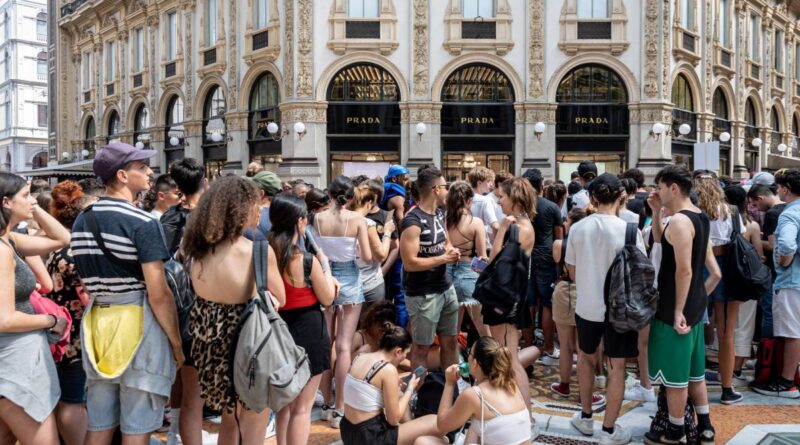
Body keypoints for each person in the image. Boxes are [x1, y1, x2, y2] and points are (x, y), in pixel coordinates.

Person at [70, 142, 183, 445]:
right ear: (122, 175)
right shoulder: (142, 222)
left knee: (99, 423)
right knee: (137, 425)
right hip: (138, 323)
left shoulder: (83, 219)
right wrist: (176, 342)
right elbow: (158, 293)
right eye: (142, 168)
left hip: (98, 324)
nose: (149, 173)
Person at [181, 176, 285, 445]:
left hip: (209, 346)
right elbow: (280, 298)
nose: (259, 209)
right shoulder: (257, 250)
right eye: (255, 204)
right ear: (239, 209)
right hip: (249, 342)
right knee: (254, 422)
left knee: (230, 419)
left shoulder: (196, 249)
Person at [645, 165, 721, 444]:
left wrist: (678, 309)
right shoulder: (699, 217)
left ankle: (675, 430)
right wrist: (656, 213)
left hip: (673, 310)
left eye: (660, 187)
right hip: (695, 308)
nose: (657, 191)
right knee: (694, 373)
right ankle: (705, 424)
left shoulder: (679, 221)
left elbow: (685, 270)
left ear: (673, 188)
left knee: (675, 378)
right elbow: (715, 272)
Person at [566, 173, 644, 445]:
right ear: (621, 197)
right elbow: (643, 274)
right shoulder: (630, 231)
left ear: (593, 197)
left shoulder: (578, 228)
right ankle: (609, 430)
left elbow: (572, 272)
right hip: (620, 310)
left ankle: (586, 417)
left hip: (587, 307)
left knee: (585, 359)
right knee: (617, 368)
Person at [0, 172, 70, 445]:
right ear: (6, 202)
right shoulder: (4, 249)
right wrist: (50, 321)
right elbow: (5, 319)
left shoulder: (10, 241)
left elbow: (62, 238)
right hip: (15, 363)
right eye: (25, 196)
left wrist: (35, 206)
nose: (31, 201)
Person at [264, 193, 336, 445]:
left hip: (276, 332)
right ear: (300, 222)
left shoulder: (264, 253)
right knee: (302, 409)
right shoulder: (306, 260)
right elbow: (327, 298)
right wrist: (327, 272)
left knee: (283, 405)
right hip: (309, 331)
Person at [314, 175, 372, 428]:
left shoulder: (318, 218)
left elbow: (316, 252)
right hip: (350, 280)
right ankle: (340, 408)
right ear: (351, 197)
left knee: (327, 343)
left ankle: (326, 402)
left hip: (325, 281)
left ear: (329, 195)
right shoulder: (357, 220)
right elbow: (368, 257)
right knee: (345, 346)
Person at [160, 157, 206, 445]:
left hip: (175, 305)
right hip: (207, 307)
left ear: (176, 186)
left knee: (182, 370)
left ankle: (175, 428)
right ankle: (182, 432)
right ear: (203, 182)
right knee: (196, 393)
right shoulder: (211, 219)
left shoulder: (168, 218)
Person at [46, 181, 95, 445]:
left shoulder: (59, 246)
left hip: (63, 332)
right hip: (74, 334)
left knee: (68, 397)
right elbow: (87, 296)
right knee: (73, 400)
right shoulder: (74, 250)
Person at [482, 177, 536, 413]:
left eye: (501, 196)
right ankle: (513, 408)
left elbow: (495, 260)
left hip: (506, 298)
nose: (498, 200)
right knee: (506, 356)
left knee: (510, 358)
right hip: (508, 294)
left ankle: (526, 414)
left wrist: (501, 230)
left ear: (513, 198)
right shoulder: (522, 225)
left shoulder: (518, 228)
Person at [415, 337, 532, 445]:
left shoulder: (474, 395)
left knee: (422, 441)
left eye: (470, 353)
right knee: (477, 423)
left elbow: (441, 425)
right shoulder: (511, 384)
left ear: (475, 363)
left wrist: (449, 384)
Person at [400, 164, 460, 372]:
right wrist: (444, 258)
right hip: (423, 294)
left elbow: (446, 240)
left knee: (451, 341)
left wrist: (451, 251)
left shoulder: (440, 213)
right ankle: (417, 393)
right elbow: (410, 263)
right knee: (421, 348)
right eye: (445, 186)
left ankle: (452, 386)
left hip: (445, 287)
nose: (448, 191)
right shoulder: (412, 221)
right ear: (435, 189)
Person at [340, 323, 440, 445]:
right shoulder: (388, 370)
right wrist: (410, 389)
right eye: (405, 354)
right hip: (370, 437)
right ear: (398, 351)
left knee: (398, 393)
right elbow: (394, 419)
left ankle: (409, 431)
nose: (404, 359)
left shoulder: (360, 357)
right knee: (434, 421)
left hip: (347, 430)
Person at [693, 170, 745, 404]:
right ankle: (726, 387)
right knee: (727, 333)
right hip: (727, 269)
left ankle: (692, 385)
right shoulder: (731, 211)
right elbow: (739, 235)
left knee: (694, 328)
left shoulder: (693, 212)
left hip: (698, 268)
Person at [753, 169, 800, 399]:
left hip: (791, 281)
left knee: (792, 332)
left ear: (786, 189)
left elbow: (788, 244)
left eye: (779, 187)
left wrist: (786, 258)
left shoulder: (789, 214)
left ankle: (786, 381)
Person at [551, 207, 602, 404]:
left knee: (565, 345)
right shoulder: (592, 245)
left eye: (566, 220)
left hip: (563, 289)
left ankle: (564, 384)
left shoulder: (558, 244)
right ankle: (584, 393)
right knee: (584, 348)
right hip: (586, 290)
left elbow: (557, 261)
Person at [521, 168, 563, 366]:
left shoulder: (520, 207)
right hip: (546, 257)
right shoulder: (552, 206)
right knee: (547, 304)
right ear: (542, 185)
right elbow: (559, 238)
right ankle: (548, 347)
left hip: (525, 256)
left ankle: (528, 344)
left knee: (528, 303)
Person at [724, 185, 764, 386]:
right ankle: (737, 369)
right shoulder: (752, 225)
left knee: (727, 327)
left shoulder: (721, 221)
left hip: (725, 280)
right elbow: (758, 254)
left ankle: (726, 370)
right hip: (746, 281)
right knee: (745, 325)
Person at [444, 181, 490, 337]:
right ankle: (492, 359)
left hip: (445, 273)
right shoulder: (476, 223)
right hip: (469, 273)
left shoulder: (443, 221)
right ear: (469, 201)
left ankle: (454, 359)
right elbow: (482, 257)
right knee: (482, 326)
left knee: (452, 328)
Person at [348, 181, 395, 311]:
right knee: (371, 325)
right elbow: (381, 255)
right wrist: (387, 232)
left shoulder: (341, 220)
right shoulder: (367, 223)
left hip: (345, 283)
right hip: (370, 283)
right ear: (369, 204)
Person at [747, 177, 784, 339]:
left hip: (773, 271)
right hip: (786, 271)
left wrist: (753, 239)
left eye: (755, 204)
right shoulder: (789, 208)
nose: (756, 209)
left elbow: (772, 245)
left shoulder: (771, 214)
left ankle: (766, 354)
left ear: (761, 198)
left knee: (769, 313)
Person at [245, 170, 282, 240]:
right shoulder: (285, 213)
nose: (248, 192)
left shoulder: (252, 216)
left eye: (252, 189)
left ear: (261, 193)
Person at [467, 167, 499, 246]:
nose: (490, 184)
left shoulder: (463, 198)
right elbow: (495, 226)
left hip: (465, 243)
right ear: (479, 183)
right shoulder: (486, 200)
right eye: (488, 181)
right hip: (482, 245)